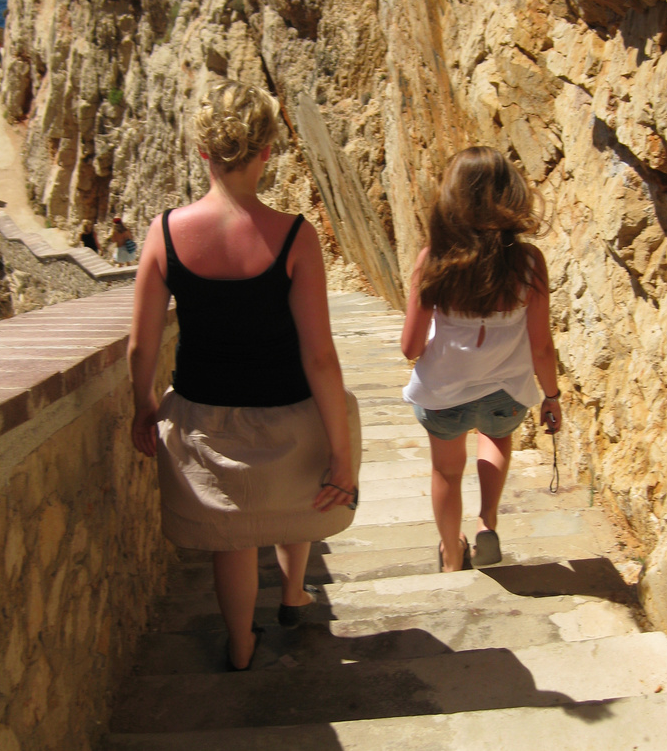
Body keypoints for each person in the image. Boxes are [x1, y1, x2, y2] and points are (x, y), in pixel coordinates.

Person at [127, 80, 360, 670]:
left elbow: (140, 345)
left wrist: (143, 406)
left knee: (231, 543)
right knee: (294, 501)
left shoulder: (163, 234)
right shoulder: (296, 238)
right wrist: (342, 453)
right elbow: (321, 358)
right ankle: (290, 592)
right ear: (266, 153)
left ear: (202, 153)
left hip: (204, 422)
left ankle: (239, 645)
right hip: (290, 416)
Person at [401, 146, 562, 573]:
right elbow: (541, 345)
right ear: (510, 194)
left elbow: (410, 347)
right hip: (506, 392)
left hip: (443, 394)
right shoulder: (529, 263)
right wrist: (552, 396)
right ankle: (486, 523)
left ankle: (452, 556)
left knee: (447, 473)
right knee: (495, 439)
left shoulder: (433, 258)